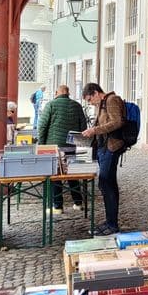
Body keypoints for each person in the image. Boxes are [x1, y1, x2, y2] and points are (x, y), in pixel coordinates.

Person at [81, 83, 126, 235]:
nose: (90, 103)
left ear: (95, 93)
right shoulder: (102, 104)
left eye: (89, 99)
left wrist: (95, 130)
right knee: (105, 184)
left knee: (107, 183)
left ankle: (112, 225)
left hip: (111, 147)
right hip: (103, 148)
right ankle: (109, 221)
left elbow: (117, 122)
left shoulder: (112, 100)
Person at [37, 85, 87, 213]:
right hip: (72, 145)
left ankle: (58, 206)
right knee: (72, 173)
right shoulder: (77, 106)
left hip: (55, 146)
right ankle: (78, 203)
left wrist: (41, 145)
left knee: (56, 175)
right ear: (68, 93)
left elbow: (42, 126)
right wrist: (79, 144)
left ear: (56, 93)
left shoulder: (51, 105)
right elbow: (83, 126)